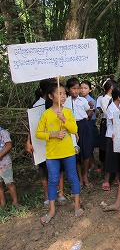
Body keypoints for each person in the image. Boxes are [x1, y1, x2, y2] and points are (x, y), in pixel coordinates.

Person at [36, 82, 83, 224]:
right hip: (52, 154)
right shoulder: (46, 114)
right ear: (51, 96)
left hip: (68, 151)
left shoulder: (68, 112)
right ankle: (51, 209)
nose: (63, 96)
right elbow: (38, 134)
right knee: (53, 180)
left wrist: (64, 119)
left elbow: (74, 130)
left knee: (73, 177)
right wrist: (53, 135)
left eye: (64, 93)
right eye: (59, 93)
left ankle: (77, 204)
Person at [25, 78, 66, 206]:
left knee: (58, 169)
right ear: (49, 92)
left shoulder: (59, 105)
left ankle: (60, 193)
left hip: (57, 142)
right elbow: (32, 126)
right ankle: (49, 196)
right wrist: (29, 141)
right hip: (41, 143)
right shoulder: (37, 105)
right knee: (45, 171)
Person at [64, 77, 94, 188]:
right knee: (76, 151)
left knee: (86, 151)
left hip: (83, 125)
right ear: (68, 89)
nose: (76, 91)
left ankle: (85, 175)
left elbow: (89, 113)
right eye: (74, 88)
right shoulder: (65, 102)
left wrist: (91, 107)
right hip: (71, 127)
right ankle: (79, 177)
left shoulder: (83, 100)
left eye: (78, 88)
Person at [79, 80, 100, 174]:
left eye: (85, 88)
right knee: (87, 145)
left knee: (90, 144)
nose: (82, 90)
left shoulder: (91, 101)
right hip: (83, 124)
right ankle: (91, 164)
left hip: (89, 123)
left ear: (90, 89)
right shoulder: (79, 100)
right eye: (81, 88)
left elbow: (90, 115)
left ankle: (92, 164)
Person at [0, 127, 19, 207]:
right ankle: (3, 204)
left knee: (9, 183)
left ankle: (16, 203)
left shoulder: (3, 132)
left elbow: (9, 145)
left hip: (5, 163)